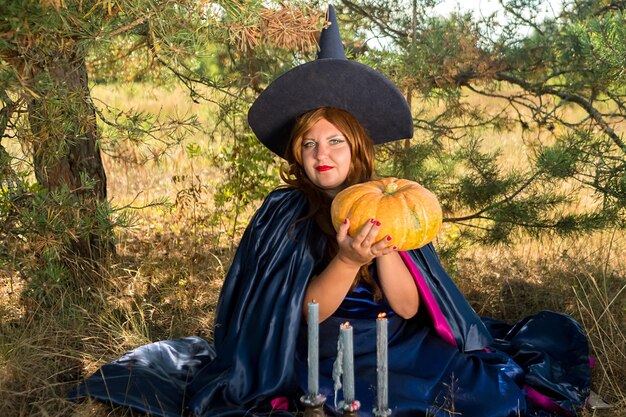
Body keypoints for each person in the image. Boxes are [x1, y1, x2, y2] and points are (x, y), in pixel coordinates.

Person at [70, 5, 592, 417]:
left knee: (496, 399)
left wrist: (382, 249)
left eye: (336, 141)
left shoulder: (391, 203)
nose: (323, 155)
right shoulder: (286, 211)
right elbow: (305, 312)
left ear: (358, 148)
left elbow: (411, 309)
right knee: (354, 402)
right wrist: (344, 259)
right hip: (323, 348)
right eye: (310, 145)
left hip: (398, 339)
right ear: (296, 154)